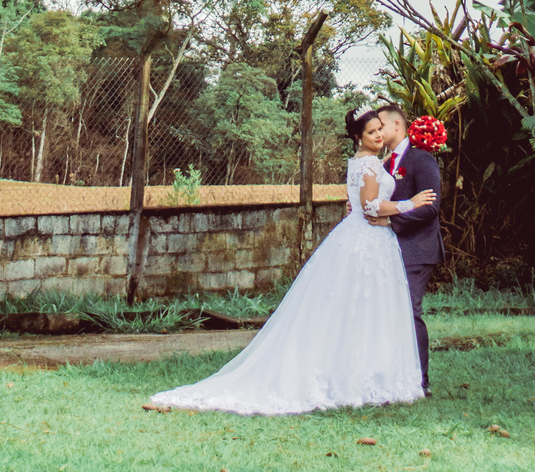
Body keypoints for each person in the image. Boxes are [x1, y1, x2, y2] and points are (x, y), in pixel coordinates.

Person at [142, 107, 435, 415]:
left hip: (367, 239)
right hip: (369, 240)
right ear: (358, 137)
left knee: (360, 309)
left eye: (379, 129)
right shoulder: (370, 163)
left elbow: (362, 204)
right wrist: (409, 203)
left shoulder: (364, 162)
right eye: (371, 131)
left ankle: (366, 377)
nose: (378, 135)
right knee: (362, 308)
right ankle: (358, 380)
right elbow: (372, 206)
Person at [377, 104, 442, 396]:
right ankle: (396, 378)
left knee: (410, 311)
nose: (377, 131)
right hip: (389, 250)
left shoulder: (421, 159)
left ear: (398, 126)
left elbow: (430, 208)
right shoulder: (382, 165)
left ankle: (420, 382)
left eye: (381, 126)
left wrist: (393, 219)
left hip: (417, 248)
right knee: (391, 312)